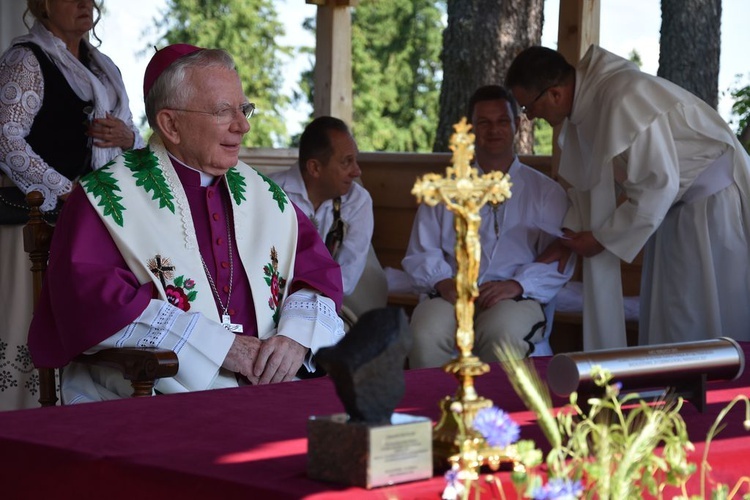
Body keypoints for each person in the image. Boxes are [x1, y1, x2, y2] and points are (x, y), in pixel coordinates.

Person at [27, 44, 346, 403]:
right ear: (170, 124)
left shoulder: (265, 196)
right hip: (161, 392)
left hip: (273, 388)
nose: (243, 126)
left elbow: (318, 276)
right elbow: (92, 305)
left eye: (243, 108)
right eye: (224, 111)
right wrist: (219, 346)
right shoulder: (106, 197)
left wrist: (295, 338)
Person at [505, 45, 750, 349]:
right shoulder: (589, 106)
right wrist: (567, 236)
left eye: (528, 108)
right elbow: (590, 186)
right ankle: (674, 389)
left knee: (704, 316)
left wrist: (602, 239)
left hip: (711, 209)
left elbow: (658, 183)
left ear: (554, 94)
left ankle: (720, 392)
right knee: (673, 317)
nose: (530, 119)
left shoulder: (623, 97)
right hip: (672, 211)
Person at [0, 0, 143, 410]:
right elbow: (6, 139)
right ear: (43, 5)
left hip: (91, 223)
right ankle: (17, 418)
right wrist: (69, 192)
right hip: (33, 224)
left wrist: (127, 138)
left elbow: (128, 132)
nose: (85, 2)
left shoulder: (104, 69)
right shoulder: (26, 60)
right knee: (25, 319)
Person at [402, 85, 574, 368]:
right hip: (450, 294)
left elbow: (561, 258)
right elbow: (421, 251)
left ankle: (499, 412)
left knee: (502, 335)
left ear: (517, 125)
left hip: (516, 296)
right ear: (470, 128)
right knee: (425, 334)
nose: (494, 130)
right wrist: (444, 282)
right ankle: (434, 409)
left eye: (502, 121)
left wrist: (518, 284)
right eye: (484, 122)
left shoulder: (546, 192)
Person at [269, 116, 385, 323]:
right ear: (314, 168)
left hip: (336, 303)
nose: (357, 171)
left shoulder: (357, 201)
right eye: (346, 161)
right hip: (274, 303)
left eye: (355, 160)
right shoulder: (271, 193)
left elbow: (346, 278)